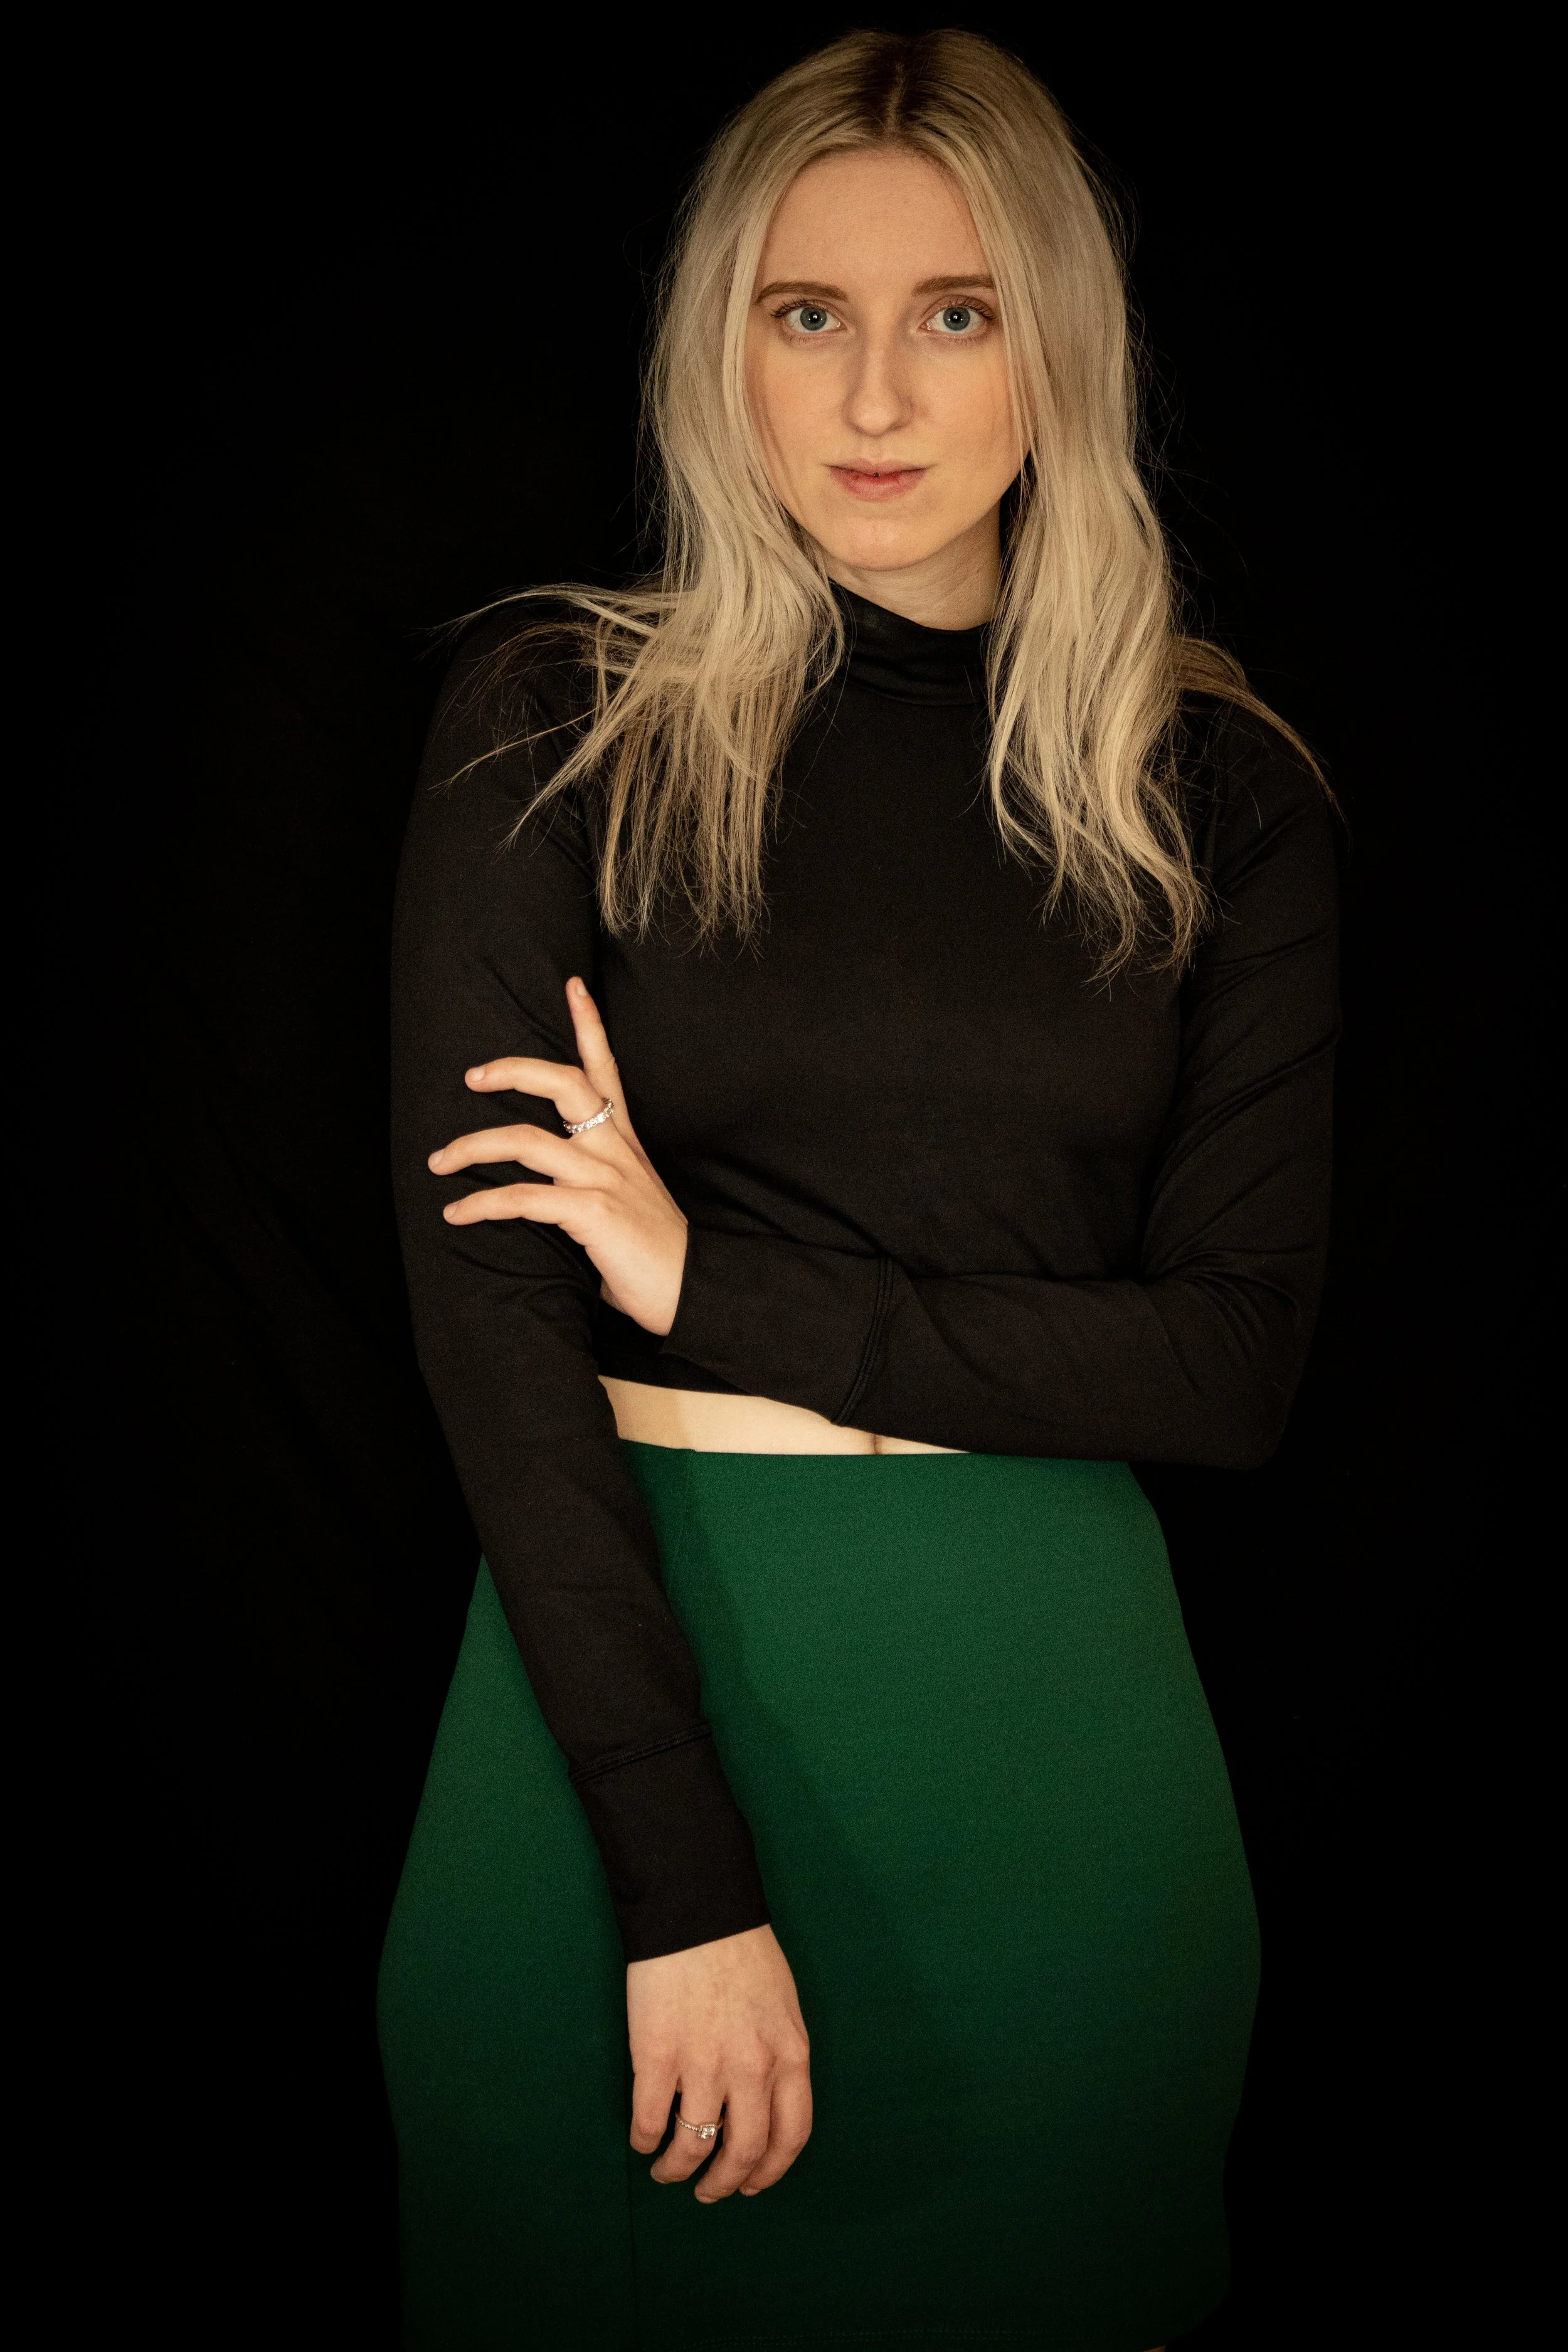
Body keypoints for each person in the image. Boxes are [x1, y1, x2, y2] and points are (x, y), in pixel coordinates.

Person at [380, 26, 1338, 2348]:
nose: (875, 395)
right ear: (723, 348)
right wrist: (679, 1882)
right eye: (807, 312)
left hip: (1051, 1744)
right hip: (612, 1742)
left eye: (957, 310)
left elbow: (1223, 1365)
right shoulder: (558, 715)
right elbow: (496, 1322)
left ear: (1057, 349)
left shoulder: (1210, 791)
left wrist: (702, 1272)